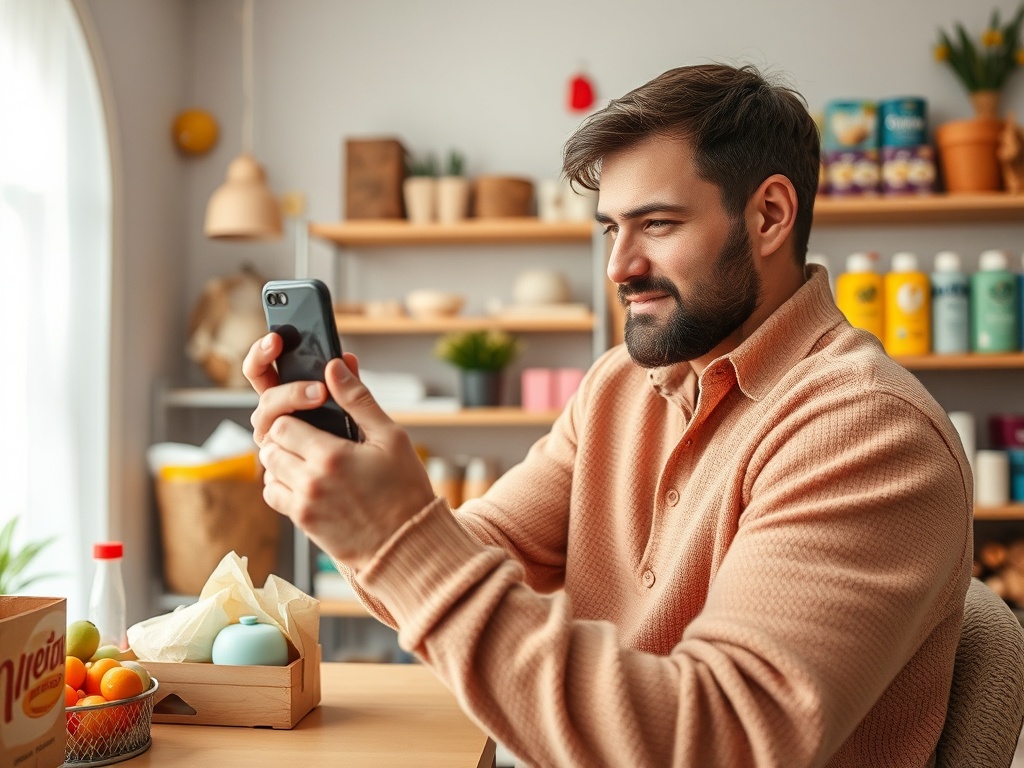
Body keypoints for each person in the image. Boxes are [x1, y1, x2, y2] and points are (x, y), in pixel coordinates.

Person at [244, 63, 972, 767]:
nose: (619, 266)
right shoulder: (620, 386)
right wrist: (349, 498)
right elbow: (474, 554)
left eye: (655, 223)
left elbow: (724, 740)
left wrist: (396, 538)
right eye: (609, 230)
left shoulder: (870, 431)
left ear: (769, 215)